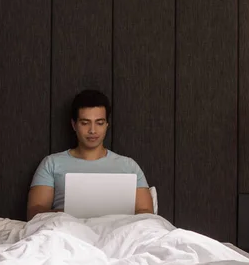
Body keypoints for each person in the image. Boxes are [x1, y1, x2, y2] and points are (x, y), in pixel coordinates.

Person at [27, 89, 154, 220]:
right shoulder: (51, 164)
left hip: (118, 232)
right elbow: (35, 212)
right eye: (85, 123)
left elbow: (146, 214)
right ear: (74, 125)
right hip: (67, 231)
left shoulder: (129, 166)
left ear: (106, 125)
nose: (92, 130)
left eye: (99, 123)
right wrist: (68, 213)